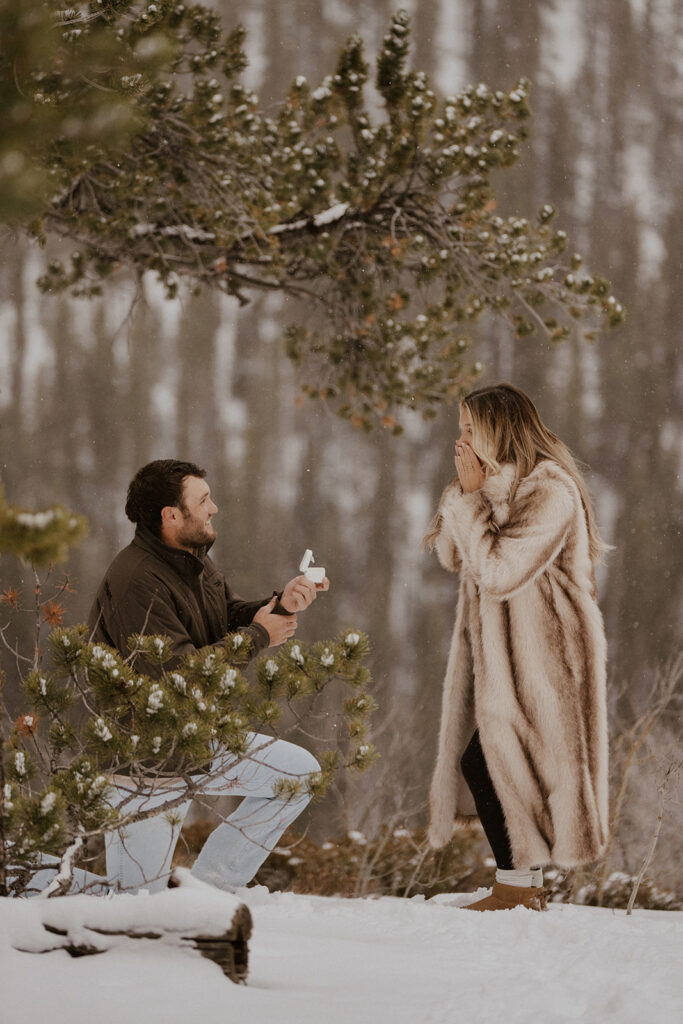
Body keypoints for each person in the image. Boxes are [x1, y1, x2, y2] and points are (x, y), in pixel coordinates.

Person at [86, 458, 329, 894]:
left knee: (297, 774)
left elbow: (227, 615)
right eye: (203, 500)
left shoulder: (191, 560)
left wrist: (281, 605)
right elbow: (178, 677)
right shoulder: (137, 581)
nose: (214, 507)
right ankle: (34, 894)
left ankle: (213, 888)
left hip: (197, 741)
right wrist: (258, 636)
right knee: (139, 903)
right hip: (145, 763)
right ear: (171, 515)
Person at [423, 383, 609, 911]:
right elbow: (454, 558)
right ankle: (520, 887)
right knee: (492, 763)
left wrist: (472, 500)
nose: (459, 440)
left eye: (467, 429)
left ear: (497, 429)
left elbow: (501, 573)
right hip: (505, 660)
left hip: (547, 659)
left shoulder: (550, 491)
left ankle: (519, 888)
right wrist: (468, 496)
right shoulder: (495, 488)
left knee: (493, 763)